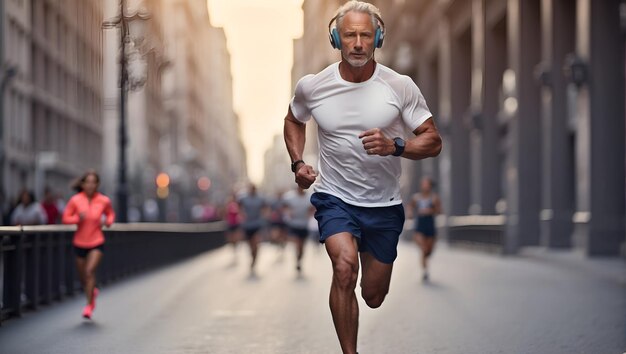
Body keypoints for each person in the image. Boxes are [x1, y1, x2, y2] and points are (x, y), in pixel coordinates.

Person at [282, 1, 442, 353]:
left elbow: (433, 141)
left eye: (365, 35)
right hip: (334, 198)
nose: (357, 43)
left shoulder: (399, 86)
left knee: (373, 295)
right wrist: (297, 163)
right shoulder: (313, 86)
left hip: (384, 204)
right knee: (344, 267)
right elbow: (294, 120)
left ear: (378, 38)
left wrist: (395, 146)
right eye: (350, 35)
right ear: (336, 38)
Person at [62, 170, 115, 319]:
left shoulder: (104, 200)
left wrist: (108, 222)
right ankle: (92, 291)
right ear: (83, 184)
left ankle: (89, 306)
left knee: (89, 272)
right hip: (79, 242)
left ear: (97, 184)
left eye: (94, 182)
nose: (91, 185)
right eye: (88, 182)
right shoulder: (75, 200)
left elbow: (110, 214)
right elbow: (66, 218)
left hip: (96, 241)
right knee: (83, 278)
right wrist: (77, 218)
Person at [409, 177, 442, 281]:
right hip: (420, 225)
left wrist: (430, 211)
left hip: (430, 225)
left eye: (426, 184)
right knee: (423, 249)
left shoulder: (434, 198)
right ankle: (425, 271)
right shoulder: (416, 197)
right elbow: (410, 206)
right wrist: (409, 213)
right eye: (423, 184)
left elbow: (439, 210)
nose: (424, 186)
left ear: (430, 186)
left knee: (429, 250)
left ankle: (426, 261)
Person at [238, 183, 267, 276]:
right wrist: (241, 213)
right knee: (251, 246)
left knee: (256, 244)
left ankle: (254, 261)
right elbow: (238, 206)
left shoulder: (260, 198)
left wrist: (264, 214)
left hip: (257, 224)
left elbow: (265, 208)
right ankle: (252, 257)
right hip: (247, 225)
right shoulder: (243, 198)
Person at [282, 187, 313, 274]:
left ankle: (299, 259)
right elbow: (284, 206)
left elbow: (312, 208)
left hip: (304, 224)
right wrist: (288, 212)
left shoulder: (309, 197)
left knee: (302, 246)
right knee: (297, 244)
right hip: (294, 224)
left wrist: (310, 214)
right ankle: (297, 259)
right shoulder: (289, 196)